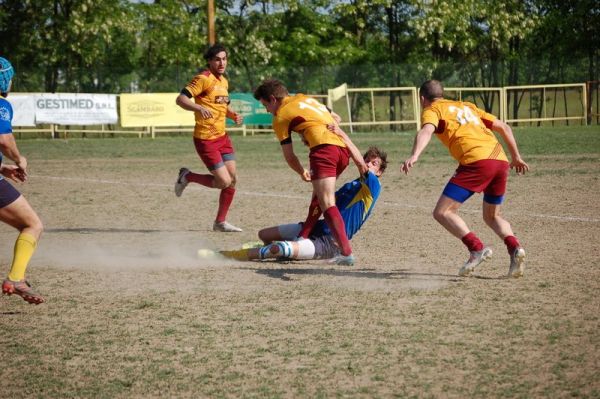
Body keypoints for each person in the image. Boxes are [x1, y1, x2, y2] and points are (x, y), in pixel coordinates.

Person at [401, 79, 529, 278]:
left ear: (422, 98)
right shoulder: (467, 106)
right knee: (492, 216)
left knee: (442, 212)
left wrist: (415, 155)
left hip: (477, 162)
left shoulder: (432, 109)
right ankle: (515, 249)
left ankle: (476, 249)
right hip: (500, 161)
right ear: (442, 94)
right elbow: (504, 127)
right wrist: (516, 157)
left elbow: (426, 130)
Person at [253, 79, 367, 265]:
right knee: (319, 198)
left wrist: (301, 171)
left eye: (266, 105)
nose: (267, 110)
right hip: (342, 150)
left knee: (327, 201)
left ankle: (346, 253)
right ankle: (303, 236)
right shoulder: (304, 98)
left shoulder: (280, 115)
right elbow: (336, 118)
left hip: (324, 151)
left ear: (273, 99)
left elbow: (289, 156)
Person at [220, 144, 387, 262]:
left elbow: (358, 163)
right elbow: (323, 203)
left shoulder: (373, 186)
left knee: (278, 249)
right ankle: (287, 246)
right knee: (264, 234)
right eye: (367, 160)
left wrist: (340, 134)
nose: (368, 164)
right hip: (317, 228)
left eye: (374, 163)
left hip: (330, 242)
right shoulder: (351, 185)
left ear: (379, 172)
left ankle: (231, 255)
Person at [174, 44, 244, 232]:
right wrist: (198, 108)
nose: (222, 63)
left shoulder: (224, 81)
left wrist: (232, 115)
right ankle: (187, 176)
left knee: (233, 179)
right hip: (206, 140)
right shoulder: (203, 79)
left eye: (224, 59)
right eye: (217, 59)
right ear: (209, 61)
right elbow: (181, 99)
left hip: (223, 137)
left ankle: (220, 222)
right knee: (223, 182)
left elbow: (221, 106)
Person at [0, 57, 45, 304]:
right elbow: (4, 140)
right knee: (32, 225)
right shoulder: (1, 104)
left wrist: (2, 168)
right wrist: (18, 159)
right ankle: (15, 279)